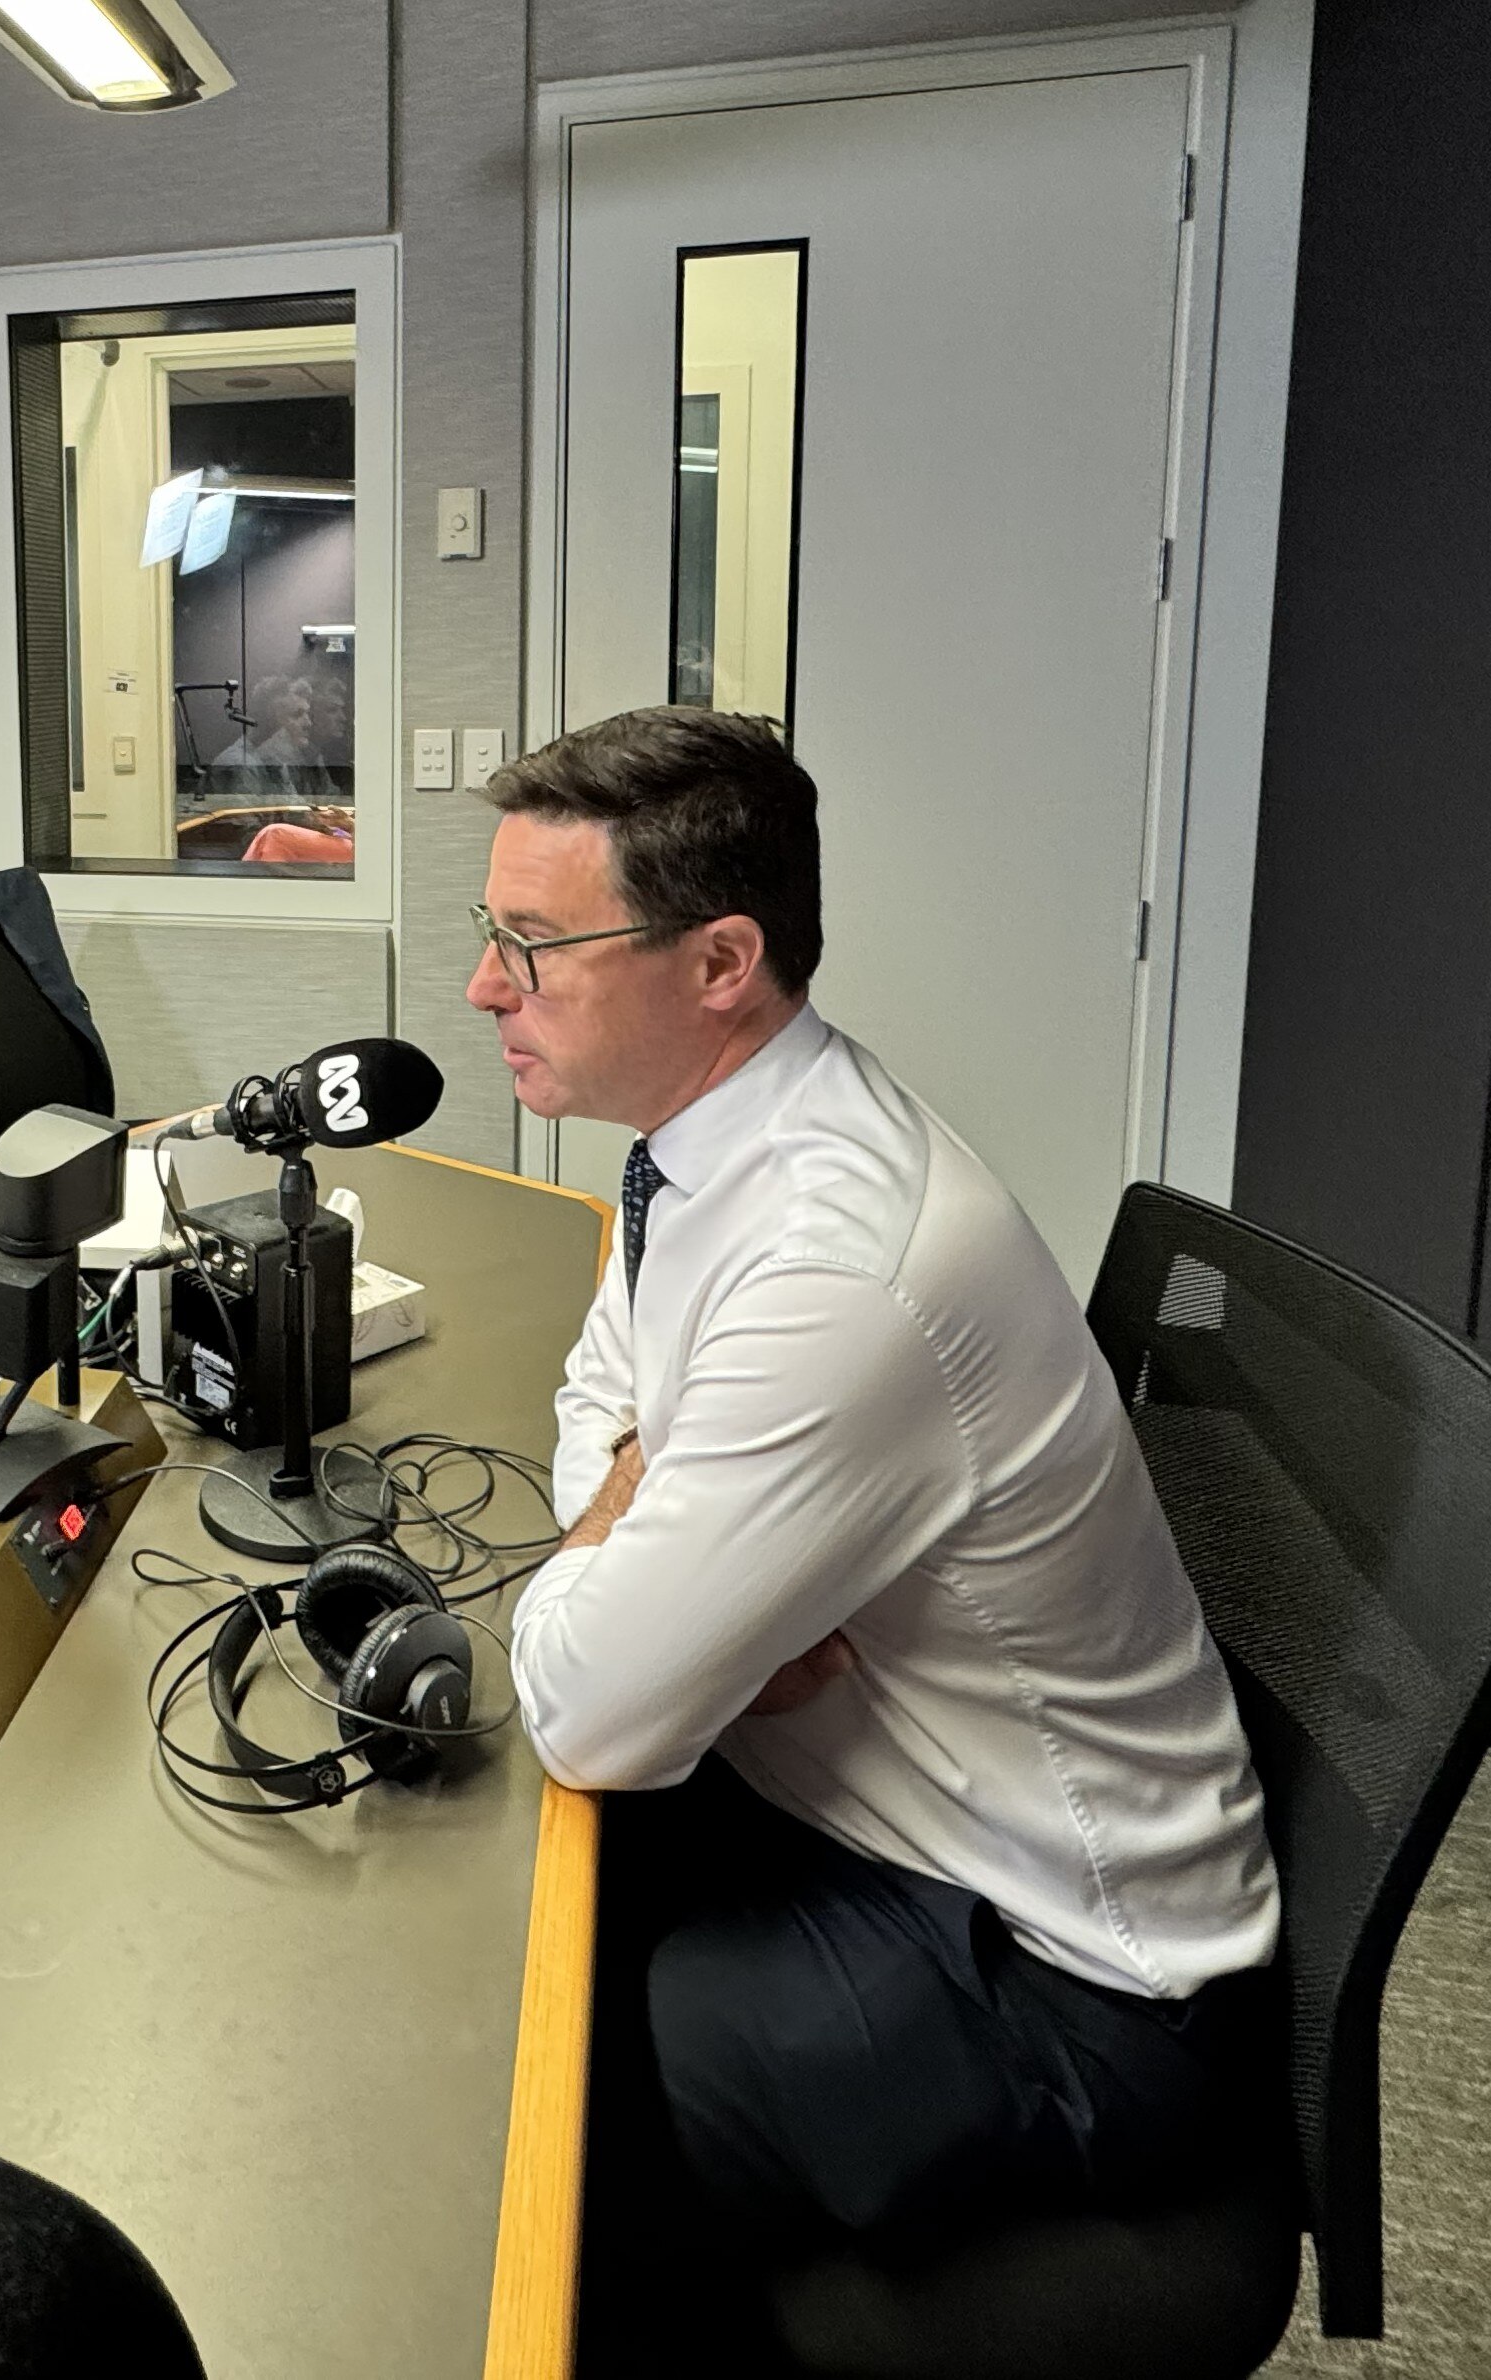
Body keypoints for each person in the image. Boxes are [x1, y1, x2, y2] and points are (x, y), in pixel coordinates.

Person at [464, 710, 1282, 2335]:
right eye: (492, 937)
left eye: (535, 947)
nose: (487, 989)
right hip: (863, 1814)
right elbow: (593, 1405)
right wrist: (653, 1539)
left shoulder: (839, 1258)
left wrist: (653, 1588)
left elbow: (591, 1712)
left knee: (534, 2115)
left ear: (720, 962)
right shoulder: (707, 1153)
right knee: (520, 1936)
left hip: (1064, 1976)